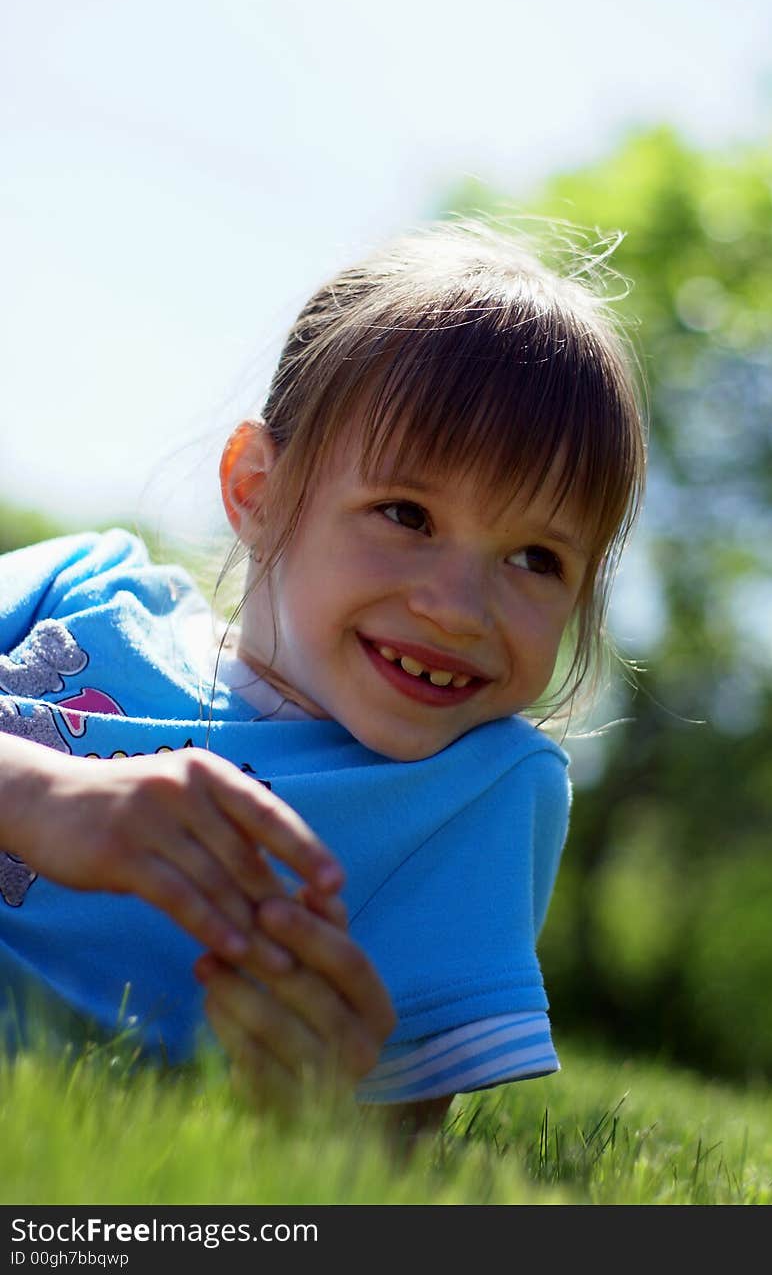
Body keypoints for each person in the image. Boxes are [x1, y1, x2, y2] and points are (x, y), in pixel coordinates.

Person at [0, 219, 646, 1133]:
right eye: (405, 513)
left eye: (536, 558)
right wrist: (40, 793)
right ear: (257, 490)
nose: (461, 608)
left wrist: (330, 1112)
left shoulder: (471, 793)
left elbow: (388, 1153)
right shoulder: (82, 586)